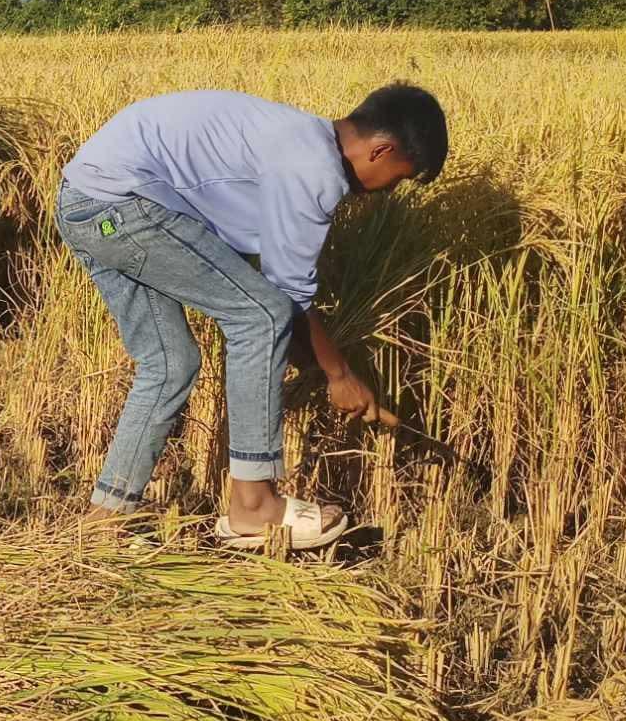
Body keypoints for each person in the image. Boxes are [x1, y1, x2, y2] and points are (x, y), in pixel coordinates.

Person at [55, 82, 449, 548]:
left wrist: (320, 367)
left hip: (83, 200)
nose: (387, 192)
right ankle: (254, 506)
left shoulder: (298, 141)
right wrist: (339, 374)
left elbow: (261, 284)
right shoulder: (314, 167)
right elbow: (284, 300)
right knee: (259, 318)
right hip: (122, 203)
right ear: (381, 150)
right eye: (399, 178)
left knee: (170, 364)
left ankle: (106, 519)